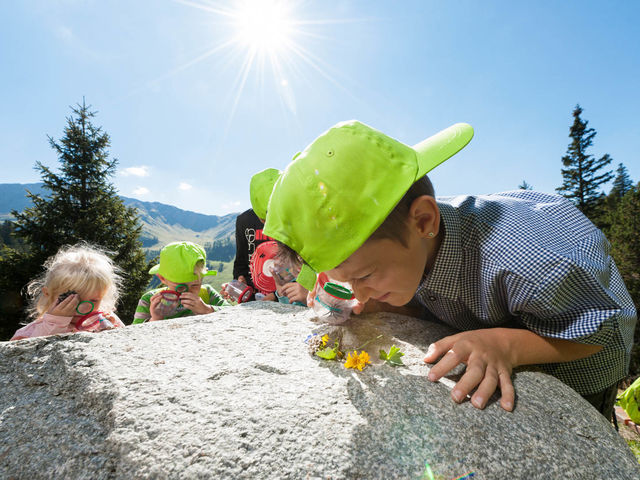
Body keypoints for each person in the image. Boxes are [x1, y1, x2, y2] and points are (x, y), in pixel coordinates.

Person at [263, 119, 637, 421]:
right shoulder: (413, 244)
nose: (358, 293)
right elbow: (428, 292)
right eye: (347, 281)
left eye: (364, 277)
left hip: (580, 363)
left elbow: (600, 329)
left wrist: (505, 344)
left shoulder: (531, 263)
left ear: (424, 218)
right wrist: (385, 303)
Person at [11, 244, 125, 340]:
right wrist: (55, 324)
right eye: (68, 300)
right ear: (47, 293)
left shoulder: (106, 319)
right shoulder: (31, 332)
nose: (82, 310)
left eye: (94, 300)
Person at [229, 167, 308, 305]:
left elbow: (305, 264)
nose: (272, 227)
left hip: (291, 296)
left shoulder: (297, 219)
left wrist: (278, 295)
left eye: (278, 219)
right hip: (254, 298)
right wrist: (240, 279)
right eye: (265, 221)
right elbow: (240, 262)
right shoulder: (244, 221)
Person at [133, 241, 228, 324]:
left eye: (195, 285)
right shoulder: (149, 300)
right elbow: (135, 334)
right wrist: (155, 319)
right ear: (162, 278)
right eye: (180, 287)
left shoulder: (207, 293)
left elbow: (233, 312)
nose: (188, 292)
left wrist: (207, 309)